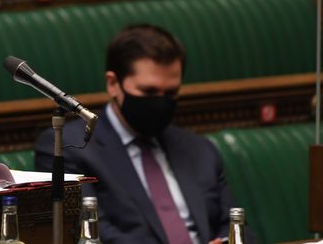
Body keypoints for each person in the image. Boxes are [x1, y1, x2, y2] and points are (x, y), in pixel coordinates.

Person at [35, 24, 247, 244]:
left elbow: (235, 224)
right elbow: (89, 233)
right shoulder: (69, 147)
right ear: (113, 84)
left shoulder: (200, 149)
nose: (161, 103)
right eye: (149, 92)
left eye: (171, 93)